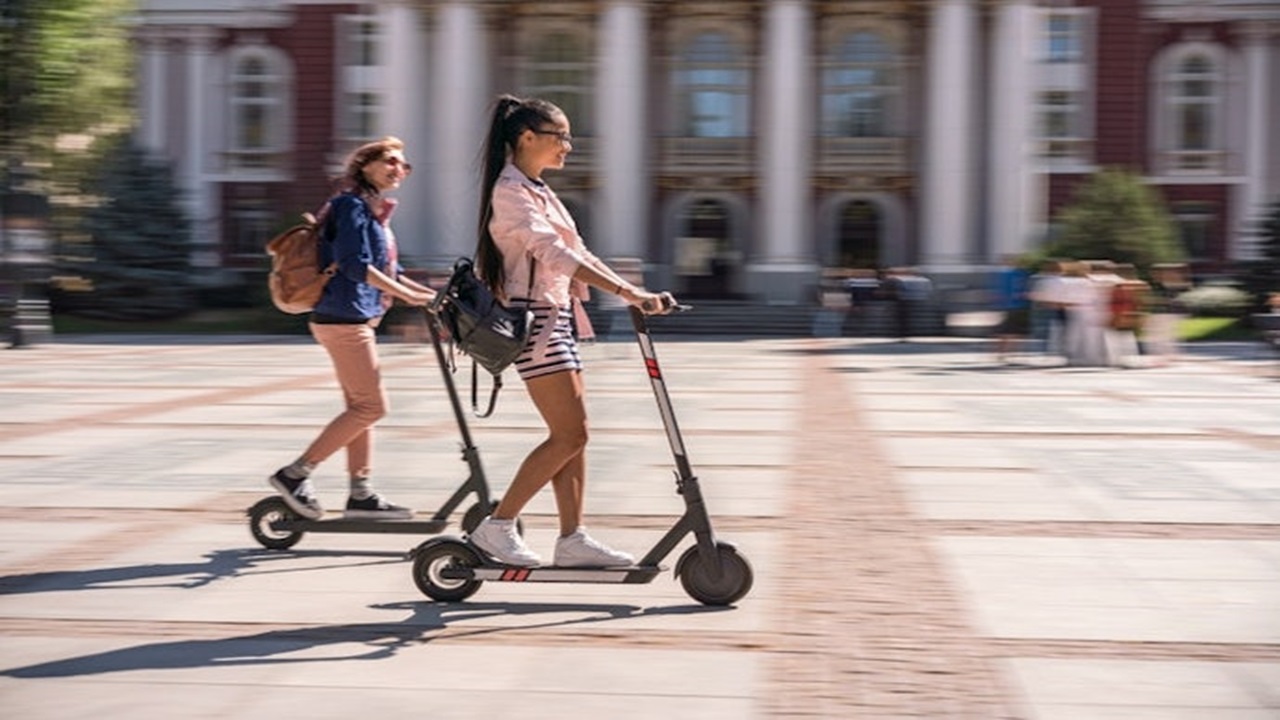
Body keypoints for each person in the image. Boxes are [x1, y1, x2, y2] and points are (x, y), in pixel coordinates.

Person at [467, 94, 673, 568]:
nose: (569, 147)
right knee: (570, 435)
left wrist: (633, 291)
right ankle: (497, 527)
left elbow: (580, 252)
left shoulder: (538, 190)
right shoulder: (510, 192)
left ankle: (572, 539)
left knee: (574, 434)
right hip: (532, 321)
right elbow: (553, 254)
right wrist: (627, 292)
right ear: (527, 138)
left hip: (556, 318)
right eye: (561, 137)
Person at [267, 136, 436, 521]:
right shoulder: (350, 206)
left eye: (404, 165)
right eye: (391, 161)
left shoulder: (372, 213)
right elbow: (355, 265)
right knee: (371, 406)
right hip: (342, 318)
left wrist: (431, 296)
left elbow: (392, 272)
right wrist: (406, 297)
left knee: (359, 409)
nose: (399, 169)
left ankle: (361, 495)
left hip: (354, 318)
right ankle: (295, 474)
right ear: (365, 165)